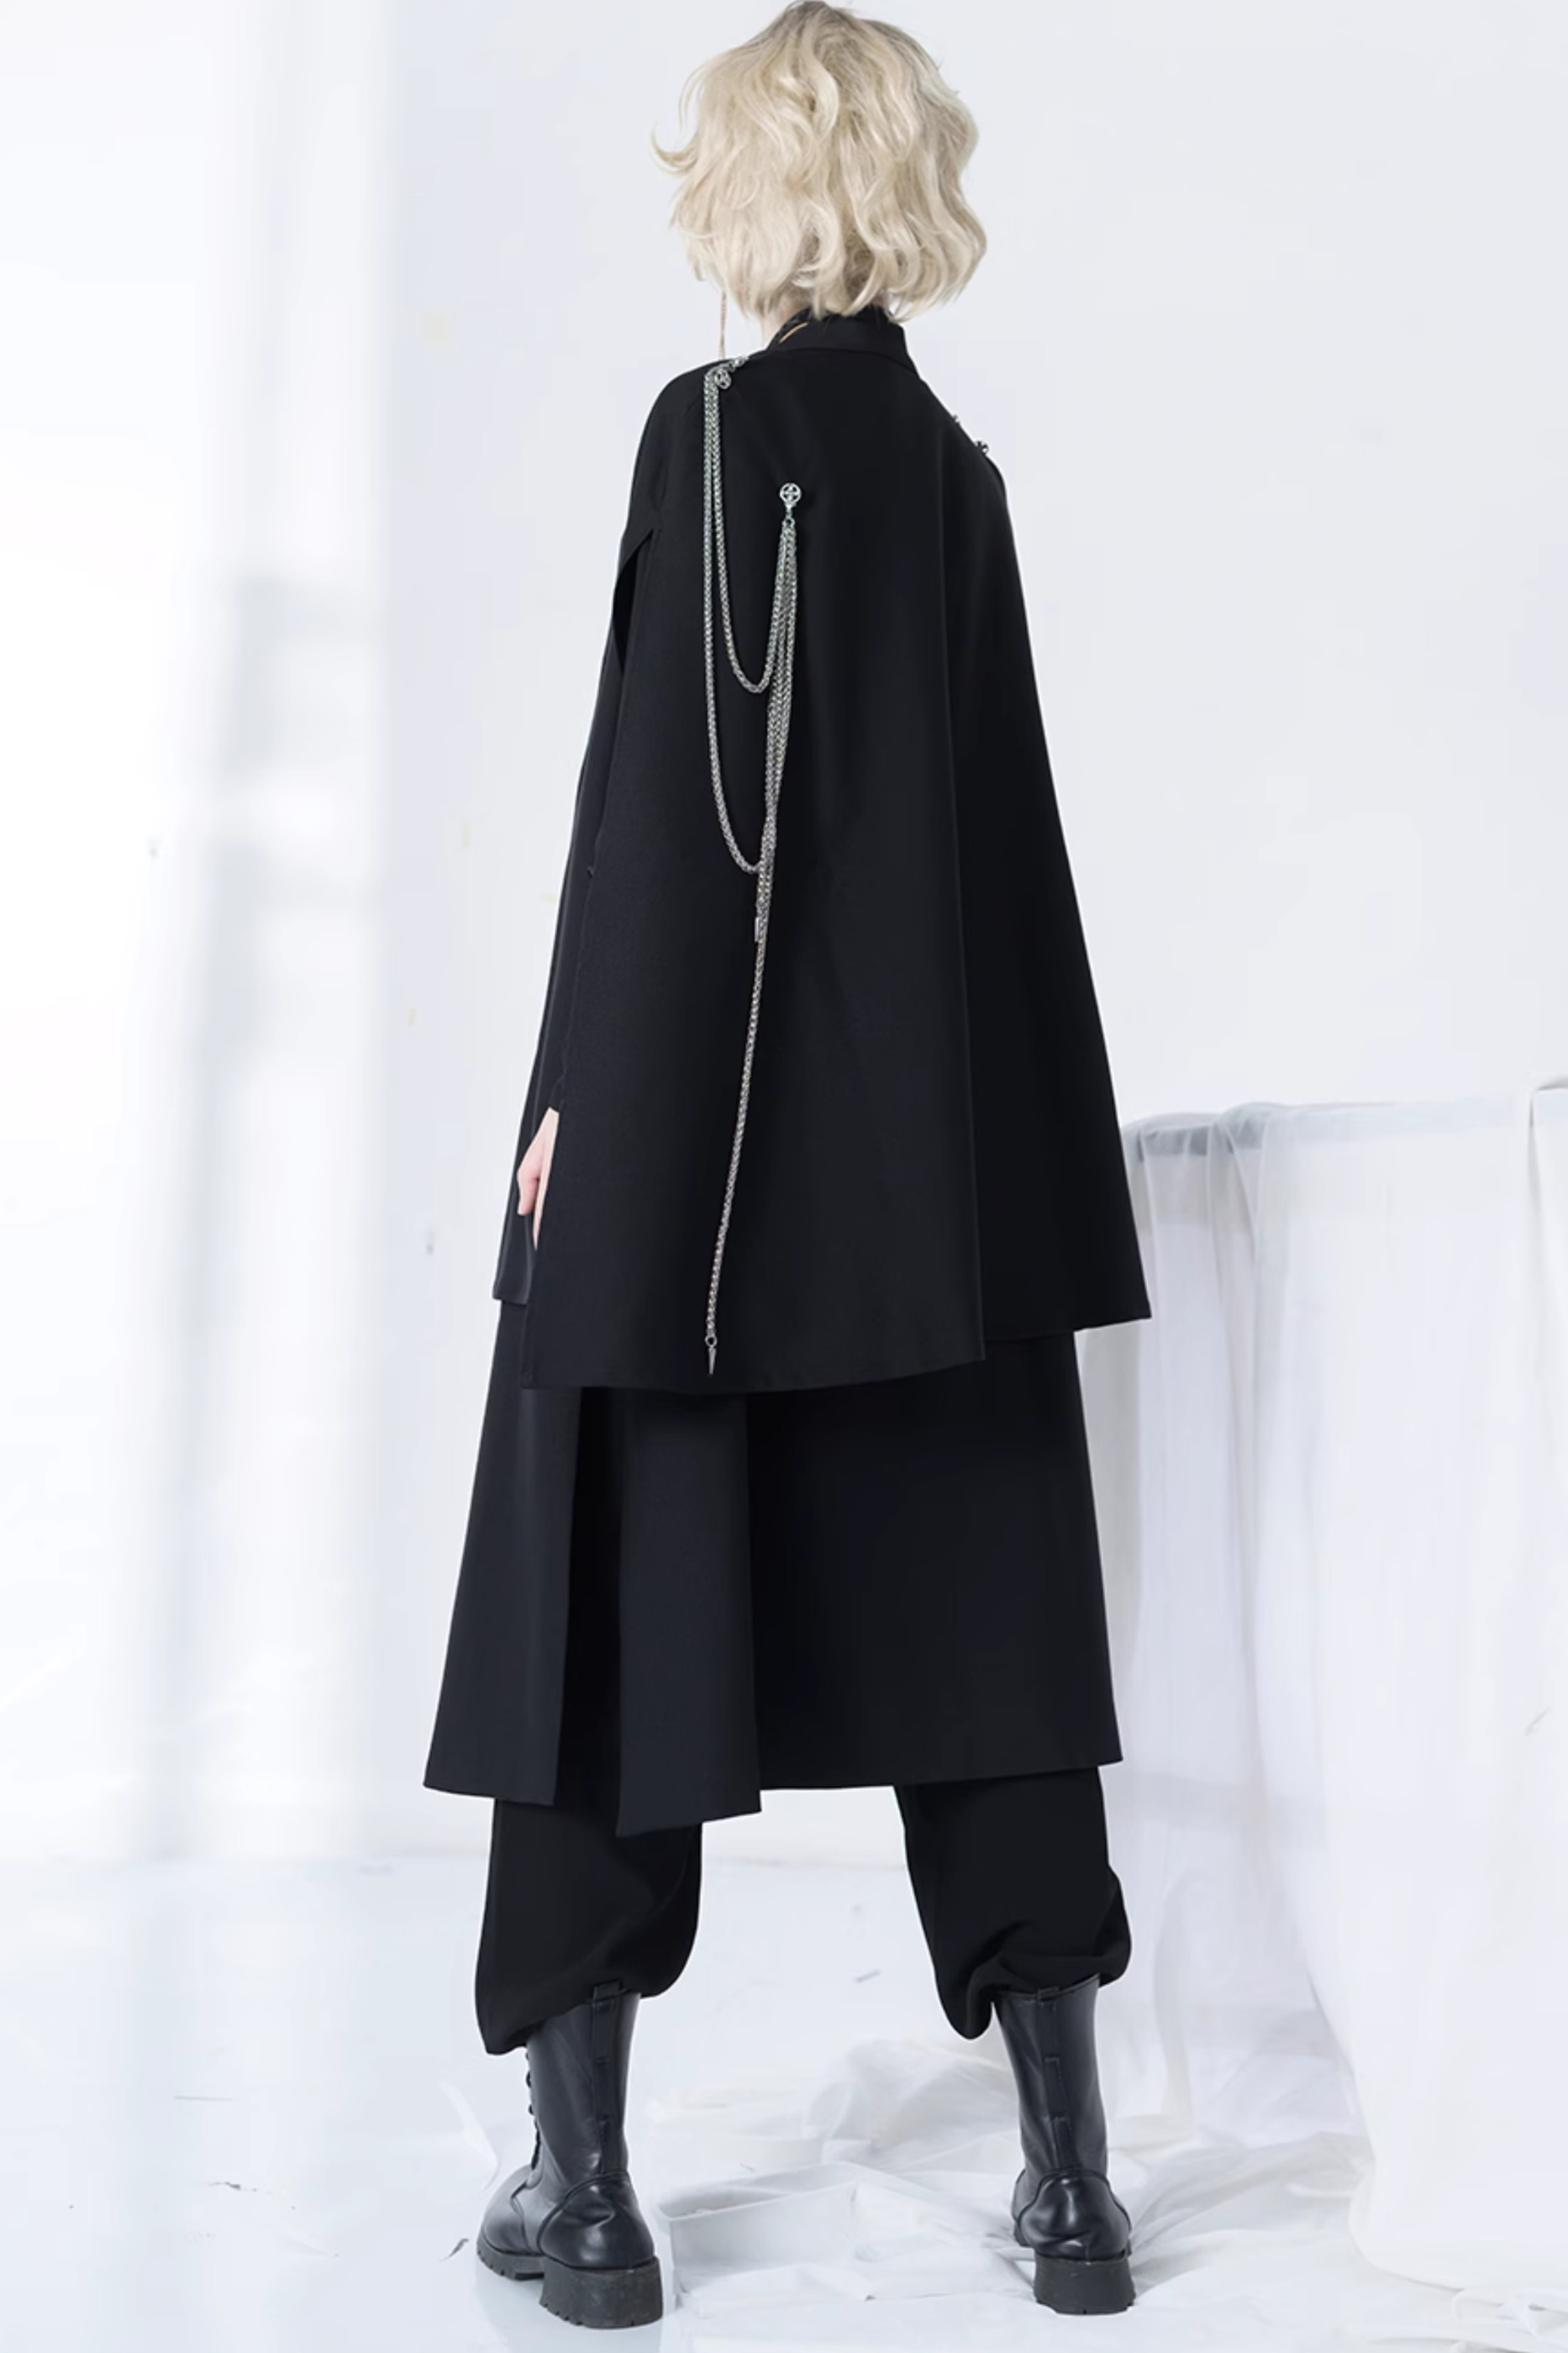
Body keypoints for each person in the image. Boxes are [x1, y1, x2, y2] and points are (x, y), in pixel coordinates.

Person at [424, 2, 1153, 2327]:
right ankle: (1072, 2193)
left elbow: (665, 819)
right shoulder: (955, 476)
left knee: (596, 1630)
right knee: (994, 1654)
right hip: (935, 1195)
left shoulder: (720, 435)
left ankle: (589, 2204)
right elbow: (1003, 869)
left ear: (756, 187)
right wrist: (1003, 1191)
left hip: (706, 1186)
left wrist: (573, 1113)